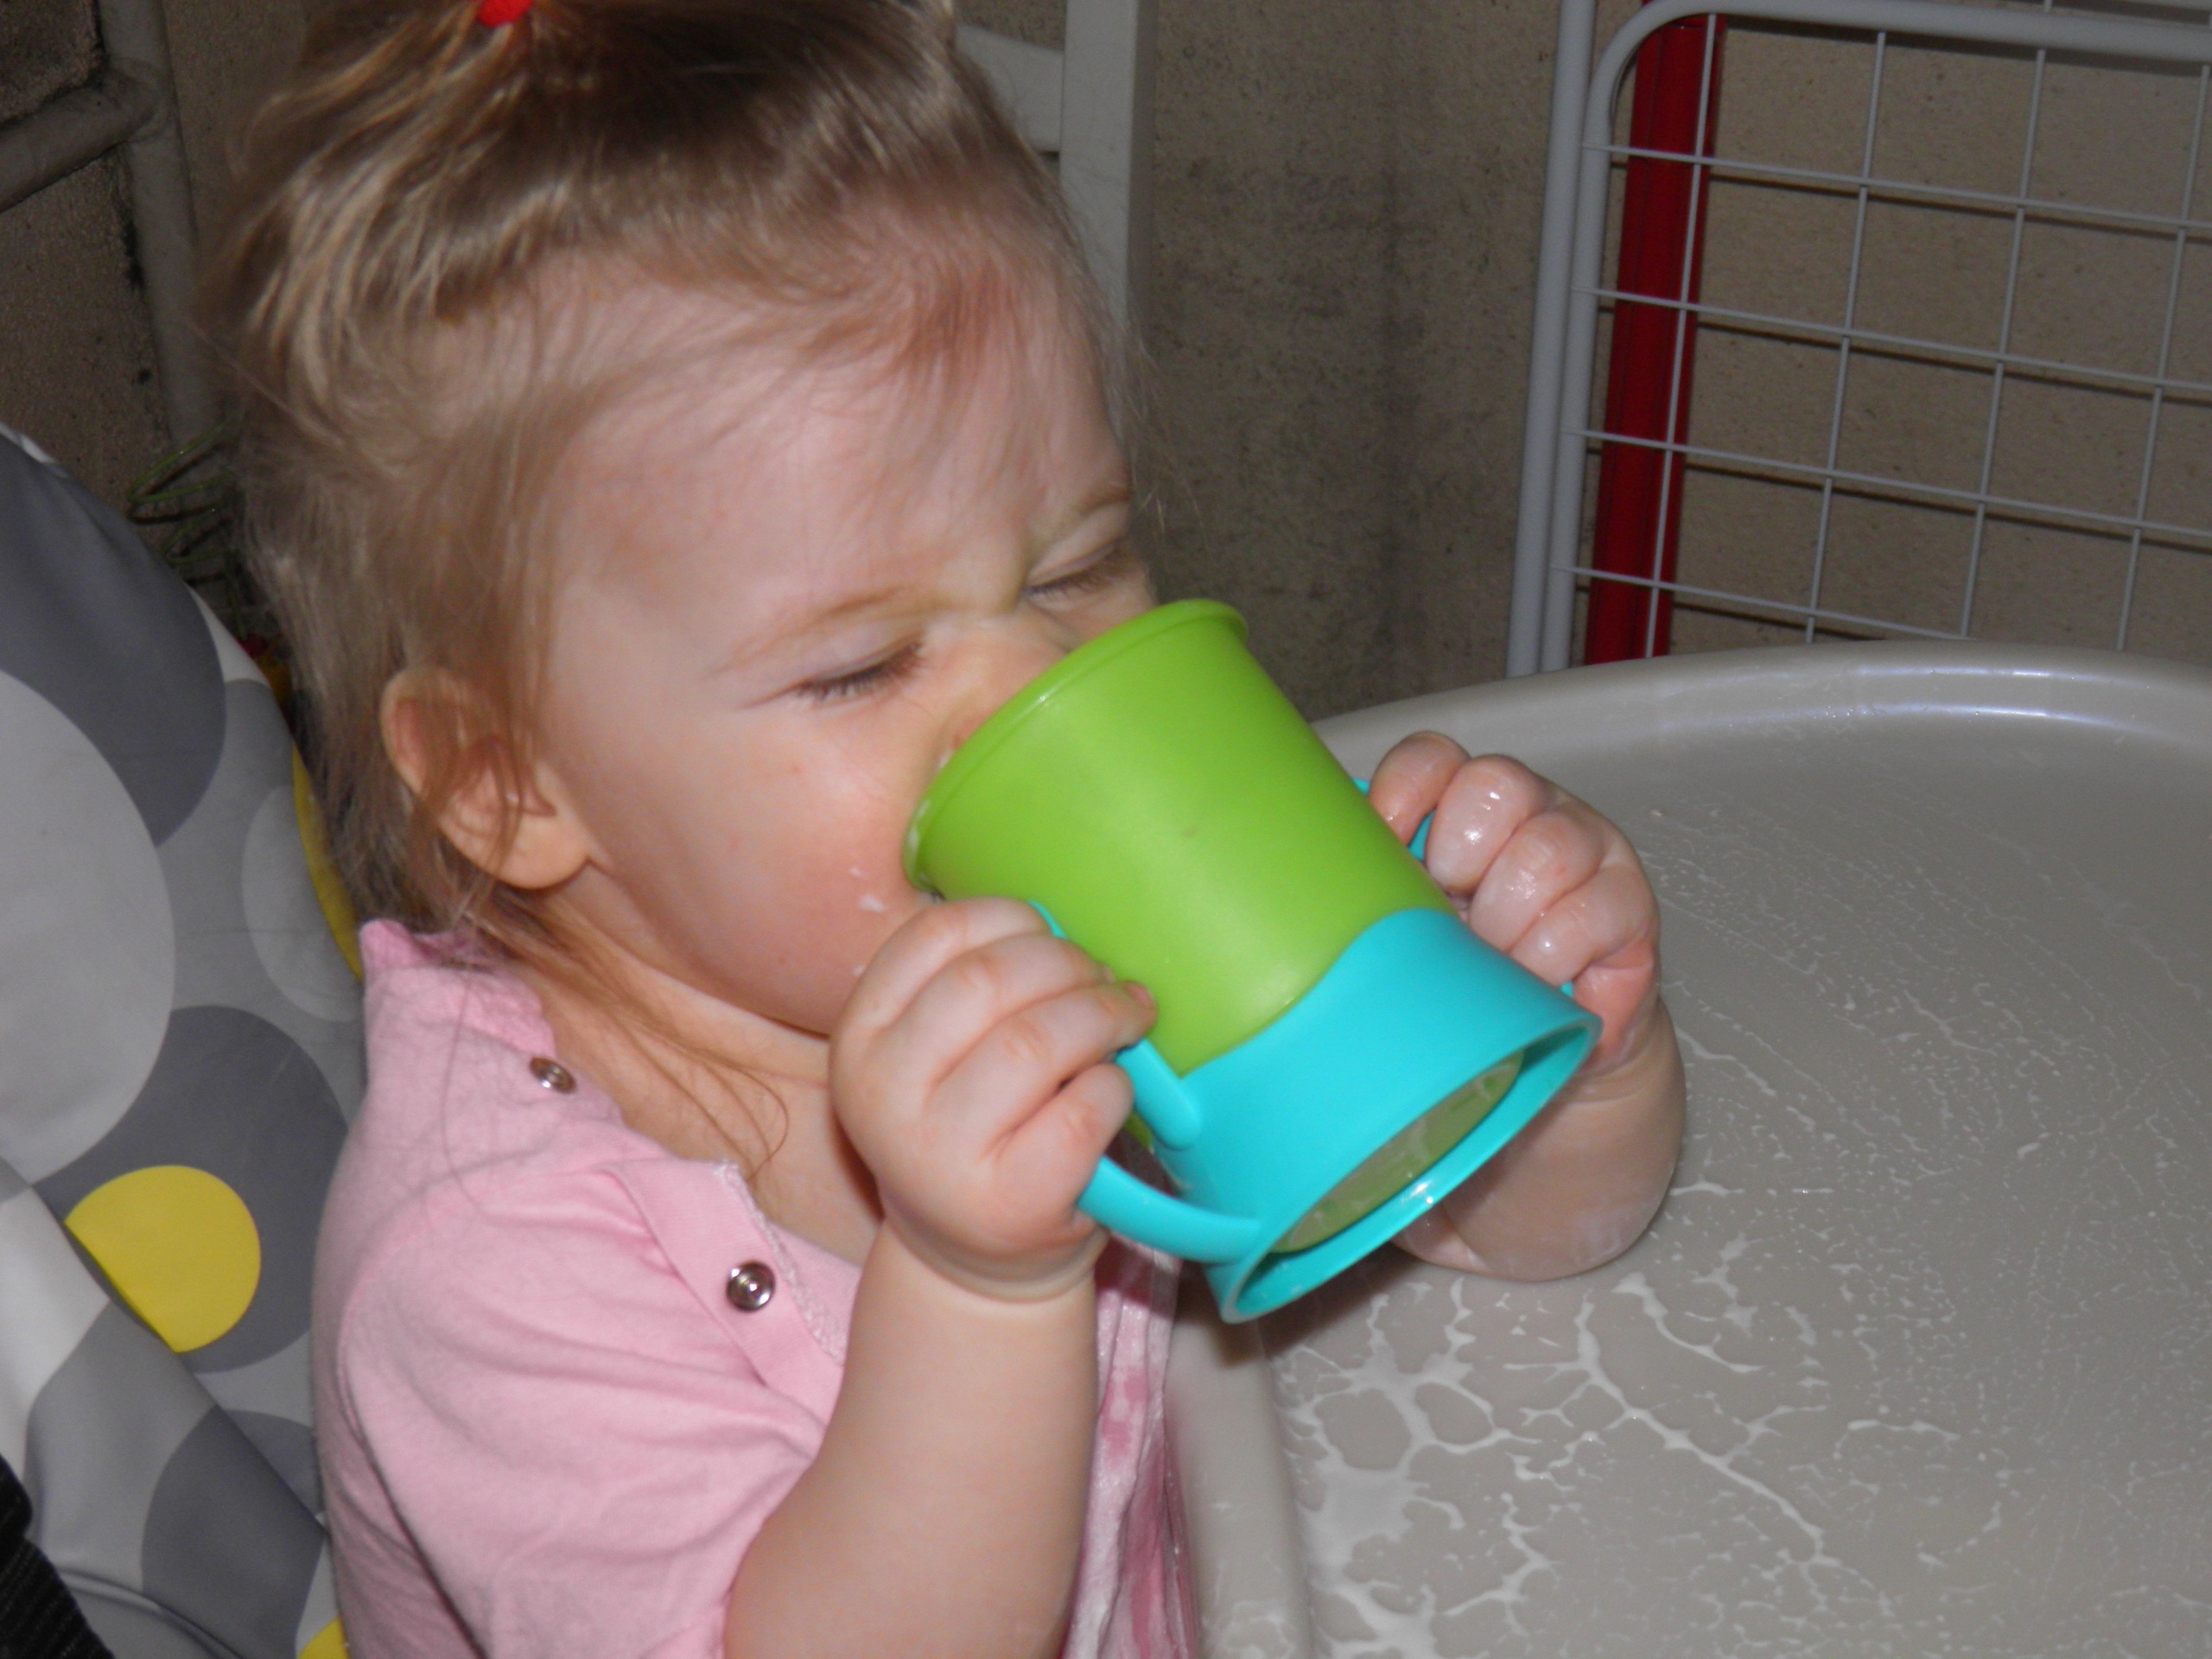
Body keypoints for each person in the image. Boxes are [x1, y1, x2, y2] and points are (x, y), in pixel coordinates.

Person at [205, 2, 1685, 1655]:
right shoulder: (493, 1270)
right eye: (862, 665)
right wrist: (982, 1289)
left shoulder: (1070, 932)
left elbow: (1507, 1225)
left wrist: (1561, 1043)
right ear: (506, 782)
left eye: (1075, 568)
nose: (1035, 685)